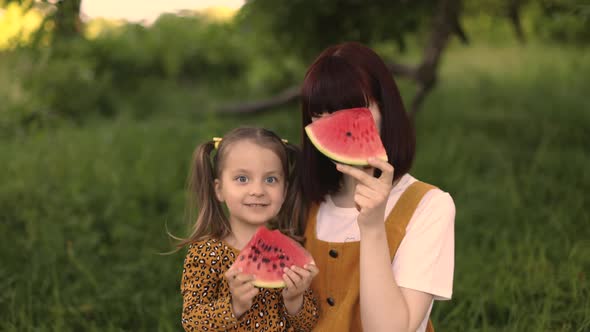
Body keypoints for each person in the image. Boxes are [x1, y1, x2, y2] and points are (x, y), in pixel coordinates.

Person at [299, 42, 455, 332]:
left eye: (353, 109)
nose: (337, 124)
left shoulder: (429, 206)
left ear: (386, 108)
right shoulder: (304, 200)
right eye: (320, 114)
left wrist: (372, 227)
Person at [178, 127, 319, 332]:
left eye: (270, 180)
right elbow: (191, 321)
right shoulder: (206, 253)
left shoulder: (291, 249)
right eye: (242, 179)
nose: (257, 191)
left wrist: (295, 300)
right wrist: (234, 306)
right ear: (219, 190)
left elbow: (308, 323)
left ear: (285, 190)